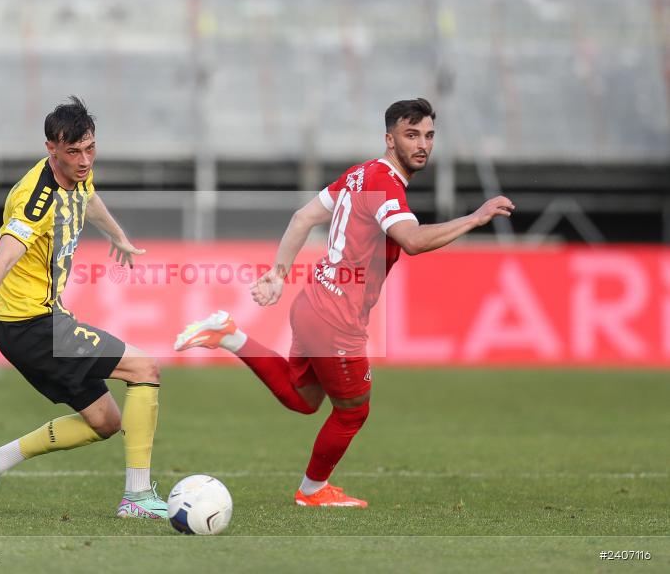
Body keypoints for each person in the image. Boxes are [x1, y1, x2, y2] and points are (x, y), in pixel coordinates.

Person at [175, 98, 514, 508]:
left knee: (304, 398)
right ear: (390, 140)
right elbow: (413, 240)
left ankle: (229, 335)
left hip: (313, 303)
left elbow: (303, 216)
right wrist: (475, 218)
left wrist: (279, 274)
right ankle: (313, 491)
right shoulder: (385, 184)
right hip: (337, 318)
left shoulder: (359, 175)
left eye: (428, 136)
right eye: (411, 135)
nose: (422, 144)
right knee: (353, 411)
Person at [0, 96, 167, 519]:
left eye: (90, 148)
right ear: (52, 147)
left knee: (105, 422)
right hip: (32, 324)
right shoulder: (35, 200)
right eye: (73, 152)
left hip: (42, 321)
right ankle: (137, 499)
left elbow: (89, 199)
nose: (84, 160)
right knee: (145, 369)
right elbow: (3, 255)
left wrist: (118, 237)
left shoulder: (77, 172)